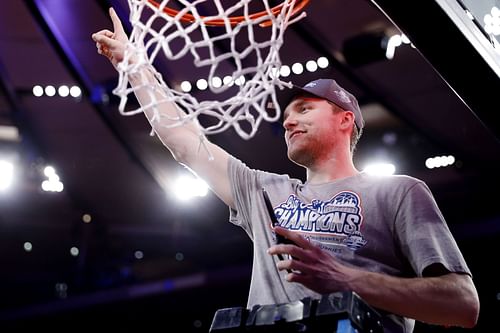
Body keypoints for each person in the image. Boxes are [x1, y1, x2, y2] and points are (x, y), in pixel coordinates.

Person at [92, 7, 480, 332]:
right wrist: (135, 67)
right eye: (286, 115)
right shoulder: (265, 191)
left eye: (305, 109)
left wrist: (347, 279)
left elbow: (463, 305)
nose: (289, 121)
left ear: (346, 120)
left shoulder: (399, 192)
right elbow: (185, 144)